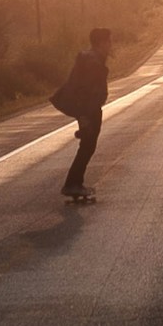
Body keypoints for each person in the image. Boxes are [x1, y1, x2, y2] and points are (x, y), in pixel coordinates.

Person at [59, 26, 112, 202]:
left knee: (87, 147)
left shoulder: (92, 59)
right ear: (101, 43)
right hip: (89, 110)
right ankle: (72, 184)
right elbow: (87, 91)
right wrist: (85, 117)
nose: (110, 45)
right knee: (87, 147)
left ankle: (75, 183)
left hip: (87, 109)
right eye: (108, 41)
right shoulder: (93, 63)